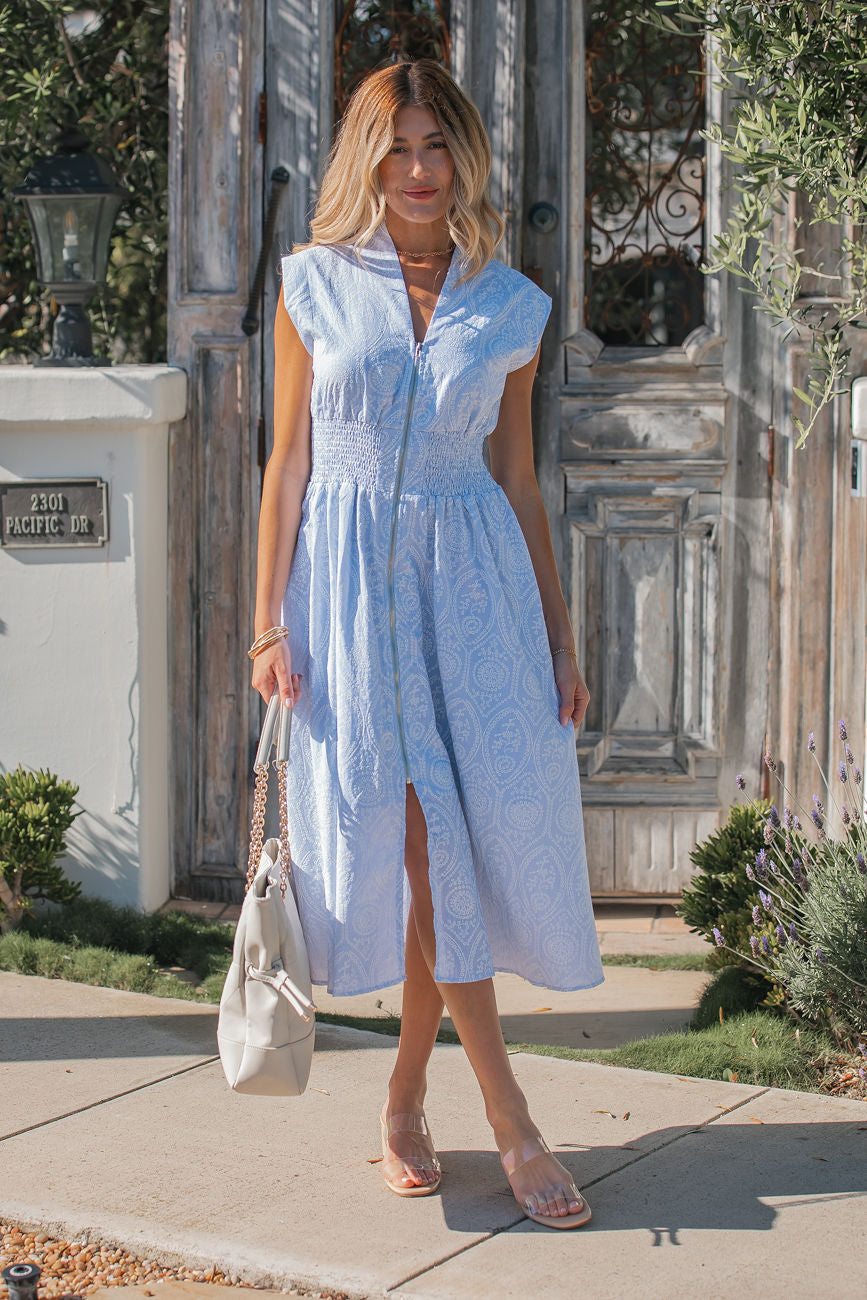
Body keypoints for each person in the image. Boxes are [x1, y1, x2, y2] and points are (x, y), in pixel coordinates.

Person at [250, 58, 604, 1230]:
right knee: (409, 836)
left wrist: (558, 639)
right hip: (346, 600)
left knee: (437, 848)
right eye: (396, 148)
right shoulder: (312, 284)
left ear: (465, 158)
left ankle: (409, 1094)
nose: (417, 171)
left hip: (473, 596)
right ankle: (507, 1116)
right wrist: (266, 622)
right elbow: (290, 462)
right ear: (367, 158)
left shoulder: (510, 303)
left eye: (437, 147)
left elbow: (520, 477)